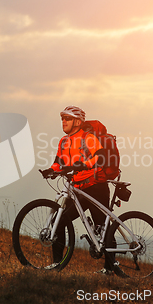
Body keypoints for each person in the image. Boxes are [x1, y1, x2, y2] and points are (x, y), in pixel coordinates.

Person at [41, 105, 113, 274]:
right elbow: (59, 162)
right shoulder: (64, 141)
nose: (63, 121)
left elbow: (100, 157)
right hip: (78, 190)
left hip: (96, 187)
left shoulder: (88, 138)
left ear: (78, 121)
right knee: (59, 220)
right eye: (62, 118)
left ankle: (110, 268)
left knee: (101, 228)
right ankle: (56, 263)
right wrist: (51, 170)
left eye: (67, 118)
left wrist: (84, 164)